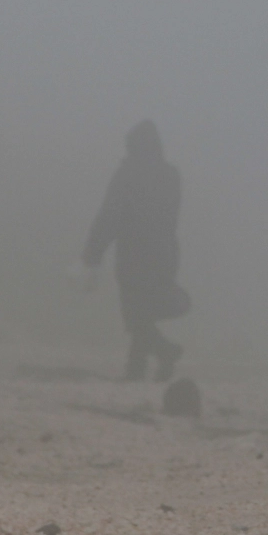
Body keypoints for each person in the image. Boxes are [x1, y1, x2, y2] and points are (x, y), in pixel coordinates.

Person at [83, 120, 186, 381]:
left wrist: (92, 253)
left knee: (135, 314)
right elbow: (169, 219)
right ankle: (136, 370)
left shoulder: (128, 174)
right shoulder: (170, 176)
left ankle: (165, 351)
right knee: (144, 311)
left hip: (134, 255)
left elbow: (110, 214)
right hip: (164, 255)